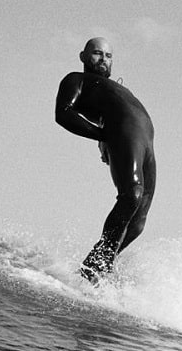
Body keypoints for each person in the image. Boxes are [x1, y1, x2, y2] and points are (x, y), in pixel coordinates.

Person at [55, 37, 156, 283]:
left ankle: (99, 265)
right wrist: (104, 136)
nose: (103, 59)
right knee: (131, 195)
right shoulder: (76, 79)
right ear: (82, 56)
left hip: (146, 142)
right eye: (97, 53)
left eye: (108, 56)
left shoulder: (118, 89)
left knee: (138, 221)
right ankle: (94, 266)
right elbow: (63, 113)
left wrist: (104, 140)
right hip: (125, 134)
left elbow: (107, 113)